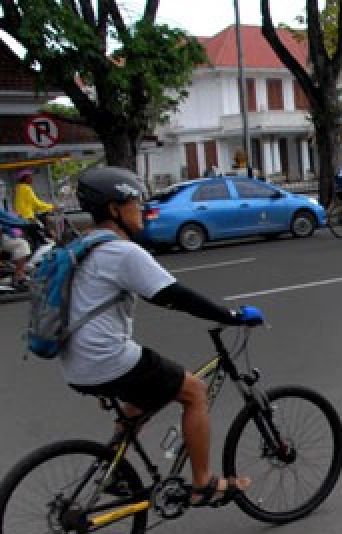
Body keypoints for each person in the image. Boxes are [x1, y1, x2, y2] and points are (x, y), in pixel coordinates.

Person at [63, 166, 262, 507]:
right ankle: (204, 485)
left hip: (76, 363)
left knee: (140, 401)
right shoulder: (121, 252)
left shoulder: (82, 246)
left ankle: (110, 473)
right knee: (195, 392)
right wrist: (228, 315)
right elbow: (173, 295)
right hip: (106, 358)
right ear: (115, 209)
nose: (141, 207)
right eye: (134, 202)